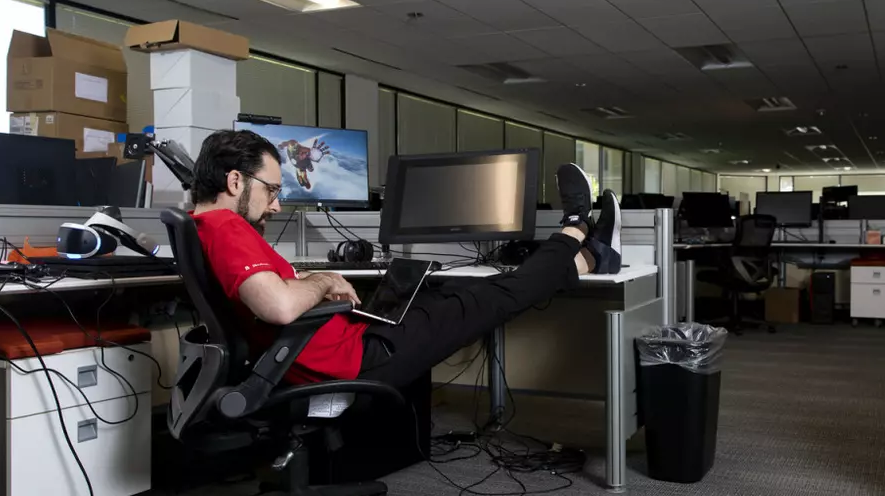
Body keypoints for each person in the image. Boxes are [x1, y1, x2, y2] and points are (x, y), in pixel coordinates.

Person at [190, 129, 622, 389]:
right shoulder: (227, 229)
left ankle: (588, 258)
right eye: (271, 190)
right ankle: (574, 230)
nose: (276, 206)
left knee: (469, 294)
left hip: (339, 350)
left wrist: (315, 276)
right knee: (492, 296)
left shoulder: (202, 228)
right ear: (234, 181)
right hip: (357, 360)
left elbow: (270, 293)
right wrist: (323, 282)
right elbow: (280, 305)